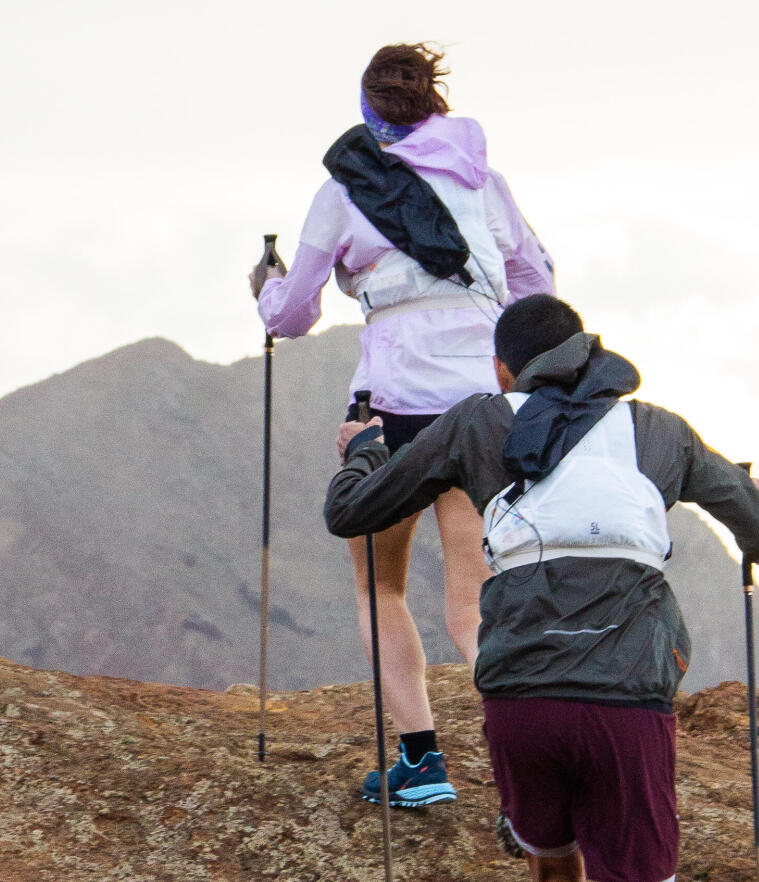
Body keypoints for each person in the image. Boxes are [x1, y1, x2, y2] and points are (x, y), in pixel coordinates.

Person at [323, 295, 759, 882]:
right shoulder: (660, 431)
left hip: (521, 698)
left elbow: (350, 513)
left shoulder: (476, 422)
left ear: (501, 369)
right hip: (628, 696)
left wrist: (365, 454)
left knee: (550, 862)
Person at [249, 42, 556, 809]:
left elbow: (292, 315)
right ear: (437, 105)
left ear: (369, 111)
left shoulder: (345, 189)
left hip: (393, 409)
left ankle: (421, 764)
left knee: (380, 586)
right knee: (474, 601)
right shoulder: (488, 185)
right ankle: (531, 781)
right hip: (482, 408)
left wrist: (267, 287)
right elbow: (538, 284)